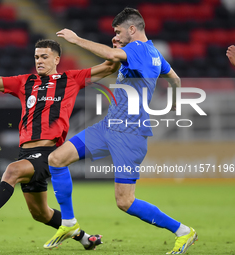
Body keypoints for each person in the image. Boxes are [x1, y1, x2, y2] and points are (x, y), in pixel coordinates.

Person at [44, 7, 198, 254]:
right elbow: (175, 79)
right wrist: (175, 102)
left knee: (125, 202)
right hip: (109, 126)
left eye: (118, 31)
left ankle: (183, 231)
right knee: (57, 158)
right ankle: (69, 223)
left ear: (133, 29)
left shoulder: (137, 49)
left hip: (130, 135)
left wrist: (76, 40)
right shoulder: (155, 54)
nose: (116, 36)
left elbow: (109, 53)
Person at [0, 37, 120, 250]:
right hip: (26, 153)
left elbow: (110, 66)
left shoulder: (71, 79)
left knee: (11, 172)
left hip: (50, 152)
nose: (39, 61)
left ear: (57, 59)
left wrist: (117, 48)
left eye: (44, 57)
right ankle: (86, 239)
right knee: (41, 214)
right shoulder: (25, 82)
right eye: (36, 57)